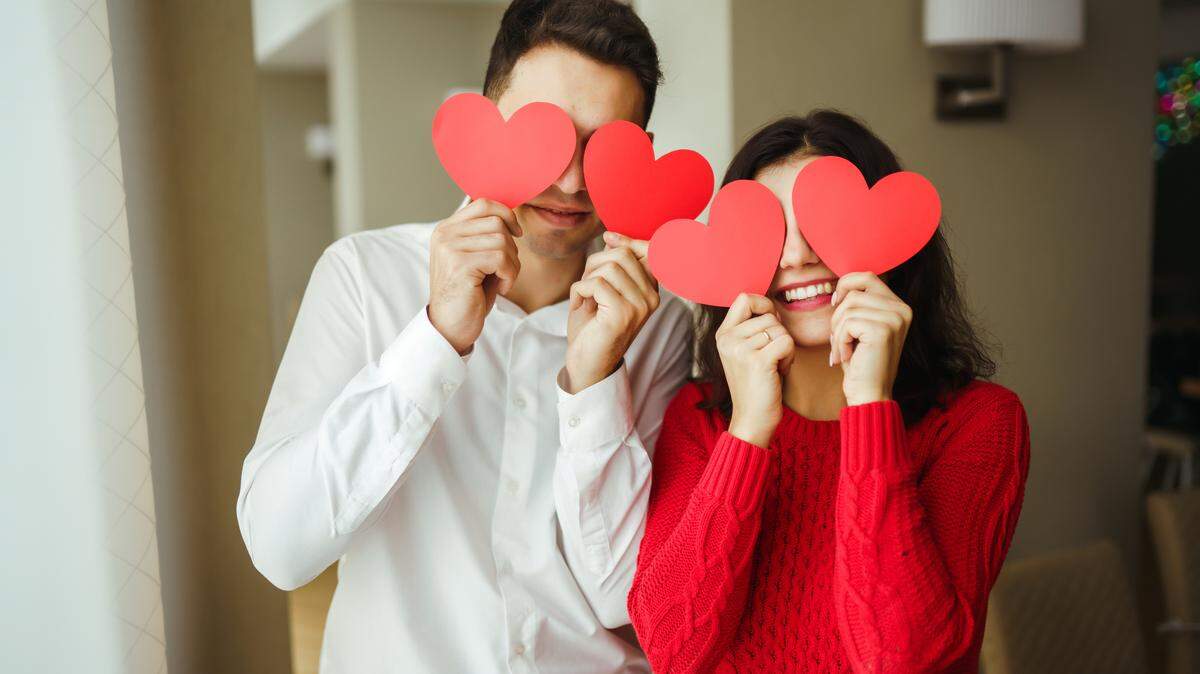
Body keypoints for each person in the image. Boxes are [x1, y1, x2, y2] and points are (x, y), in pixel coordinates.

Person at [236, 1, 692, 671]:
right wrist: (435, 339)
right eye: (549, 136)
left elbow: (623, 597)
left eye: (602, 149)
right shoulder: (365, 276)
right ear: (488, 117)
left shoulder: (660, 323)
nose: (569, 181)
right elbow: (280, 549)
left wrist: (597, 382)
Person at [627, 111, 1031, 674]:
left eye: (825, 222)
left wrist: (870, 407)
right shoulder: (699, 421)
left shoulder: (979, 423)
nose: (796, 256)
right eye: (770, 231)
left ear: (894, 239)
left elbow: (902, 657)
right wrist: (747, 434)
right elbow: (673, 649)